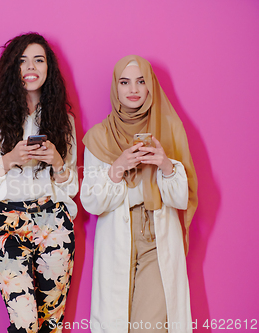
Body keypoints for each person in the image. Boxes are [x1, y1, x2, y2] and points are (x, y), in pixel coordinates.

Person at [0, 33, 78, 333]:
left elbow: (72, 187)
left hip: (53, 218)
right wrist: (10, 158)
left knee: (52, 323)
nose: (31, 67)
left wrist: (57, 160)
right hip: (7, 219)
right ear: (12, 68)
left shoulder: (63, 119)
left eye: (38, 60)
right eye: (22, 60)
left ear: (48, 68)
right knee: (24, 323)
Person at [80, 55, 198, 333]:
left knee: (150, 327)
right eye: (125, 82)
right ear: (116, 87)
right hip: (116, 237)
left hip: (156, 237)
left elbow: (182, 198)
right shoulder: (99, 136)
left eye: (141, 81)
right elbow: (91, 202)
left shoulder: (168, 128)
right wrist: (119, 166)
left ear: (150, 87)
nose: (133, 89)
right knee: (117, 325)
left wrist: (165, 165)